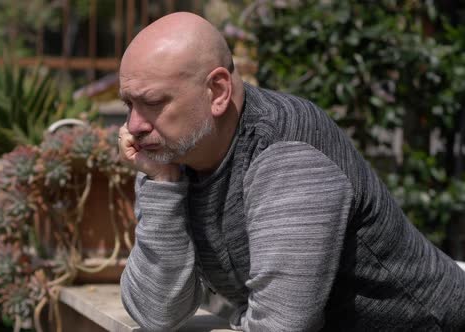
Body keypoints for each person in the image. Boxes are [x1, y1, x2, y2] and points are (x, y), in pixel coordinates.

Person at [117, 11, 465, 331]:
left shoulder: (287, 153)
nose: (134, 125)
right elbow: (157, 312)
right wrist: (162, 183)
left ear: (218, 91)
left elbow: (279, 327)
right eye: (129, 104)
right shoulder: (174, 156)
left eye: (153, 102)